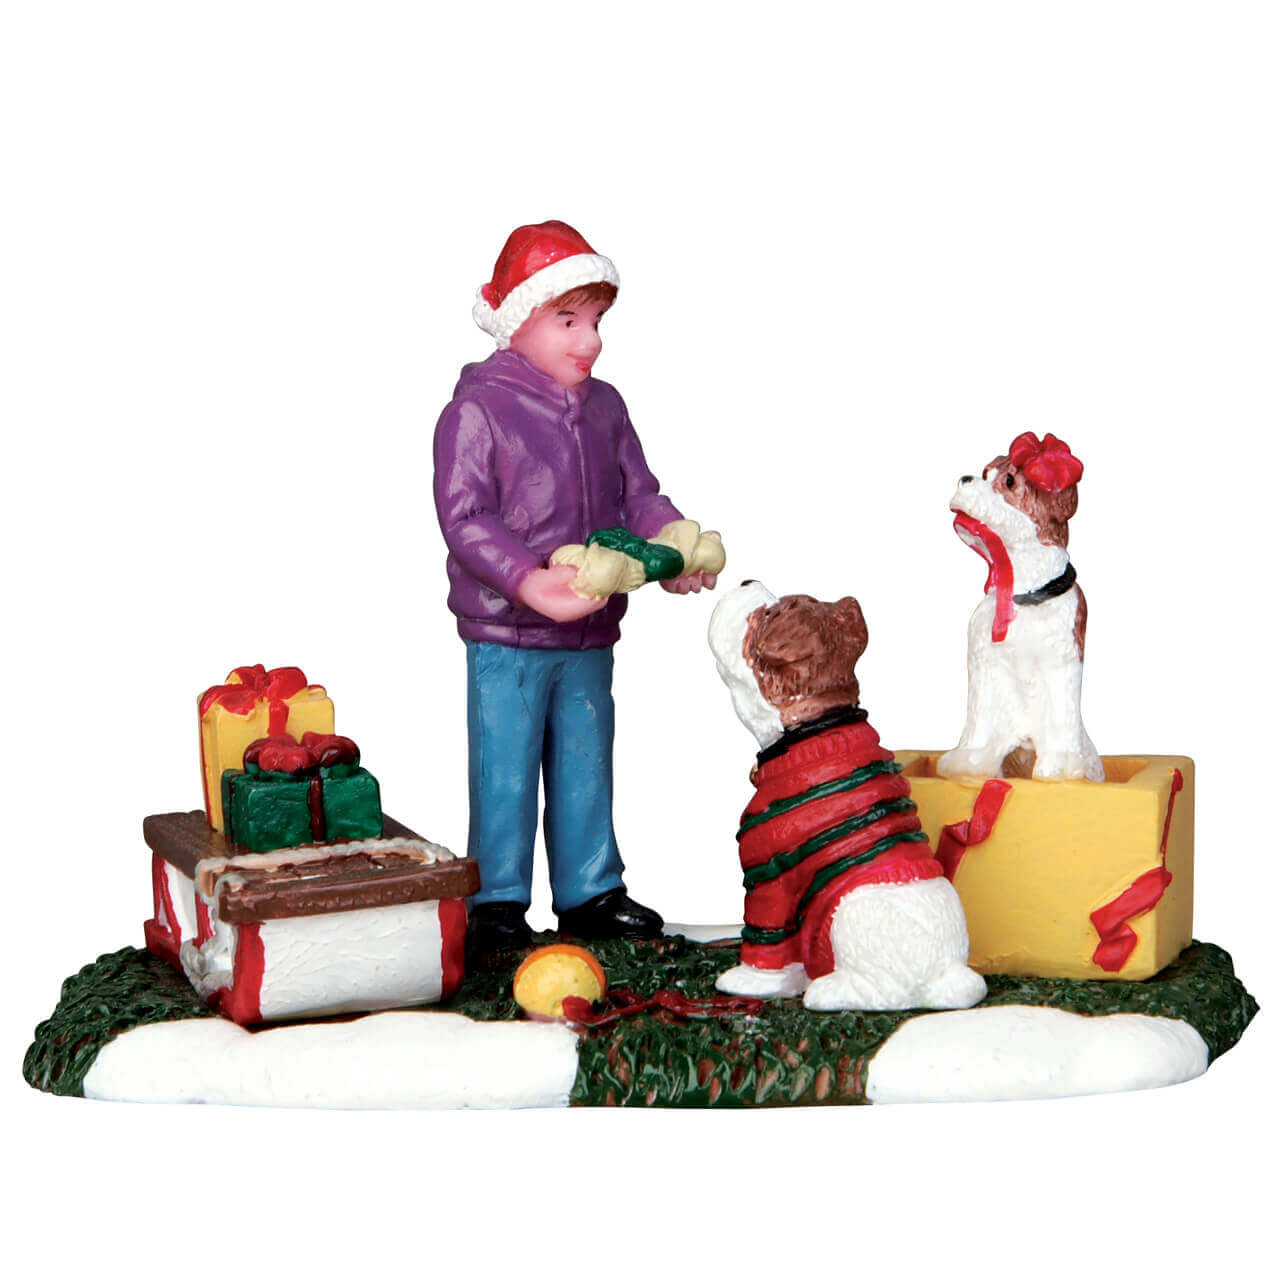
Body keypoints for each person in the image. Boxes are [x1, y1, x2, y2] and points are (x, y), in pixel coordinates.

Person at [433, 220, 719, 960]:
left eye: (595, 320)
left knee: (586, 759)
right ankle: (496, 900)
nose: (589, 340)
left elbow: (638, 495)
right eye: (567, 320)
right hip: (508, 633)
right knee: (505, 766)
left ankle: (590, 889)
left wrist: (671, 543)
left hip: (591, 628)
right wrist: (527, 580)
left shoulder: (606, 408)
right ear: (517, 320)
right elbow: (466, 519)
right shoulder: (477, 411)